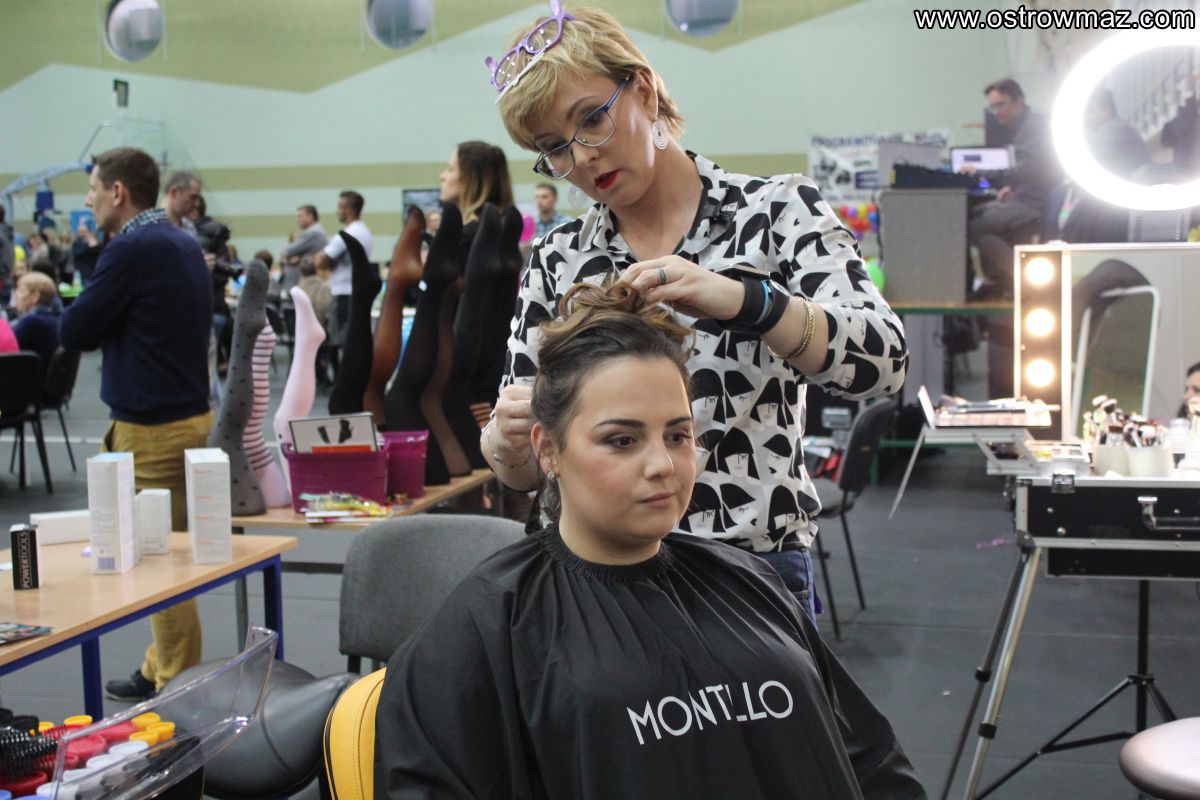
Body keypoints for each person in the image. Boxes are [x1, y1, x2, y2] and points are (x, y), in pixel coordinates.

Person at [376, 280, 926, 799]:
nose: (663, 465)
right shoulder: (490, 621)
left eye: (678, 435)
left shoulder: (752, 581)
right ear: (547, 450)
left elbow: (873, 765)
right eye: (622, 440)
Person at [482, 4, 906, 622]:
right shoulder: (559, 258)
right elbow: (524, 467)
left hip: (747, 572)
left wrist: (749, 301)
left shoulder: (775, 213)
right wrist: (504, 438)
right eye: (555, 149)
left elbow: (884, 360)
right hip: (593, 584)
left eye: (592, 119)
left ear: (643, 90)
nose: (584, 158)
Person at [59, 147, 213, 702]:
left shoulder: (130, 249)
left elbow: (75, 329)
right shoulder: (178, 241)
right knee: (167, 555)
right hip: (184, 417)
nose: (89, 200)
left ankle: (176, 688)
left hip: (153, 430)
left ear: (118, 192)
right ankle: (159, 666)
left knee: (159, 564)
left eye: (93, 189)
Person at [964, 78, 1061, 299]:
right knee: (981, 214)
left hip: (1035, 202)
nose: (996, 112)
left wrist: (979, 173)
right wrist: (1013, 187)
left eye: (1001, 105)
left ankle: (1019, 282)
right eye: (993, 107)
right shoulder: (1030, 126)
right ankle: (1003, 282)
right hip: (1029, 195)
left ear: (1019, 102)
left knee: (974, 225)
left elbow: (1028, 171)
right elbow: (1035, 170)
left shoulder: (1032, 129)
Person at [313, 190, 372, 376]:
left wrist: (329, 261)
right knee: (351, 340)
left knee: (341, 341)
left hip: (343, 293)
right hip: (353, 291)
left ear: (348, 210)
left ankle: (343, 379)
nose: (336, 211)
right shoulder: (364, 231)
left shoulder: (349, 233)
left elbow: (320, 261)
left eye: (339, 207)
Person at [439, 140, 515, 222]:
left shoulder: (475, 228)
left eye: (450, 169)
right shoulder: (501, 222)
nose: (442, 176)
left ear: (471, 178)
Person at [11, 271, 61, 364]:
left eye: (21, 290)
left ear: (35, 296)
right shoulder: (56, 321)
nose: (16, 295)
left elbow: (8, 350)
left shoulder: (30, 323)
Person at [279, 204, 327, 291]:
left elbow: (287, 251)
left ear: (310, 216)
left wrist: (296, 257)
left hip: (306, 282)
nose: (297, 220)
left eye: (300, 216)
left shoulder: (313, 233)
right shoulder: (316, 232)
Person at [160, 169, 203, 235]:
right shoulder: (153, 226)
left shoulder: (189, 227)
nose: (197, 204)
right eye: (193, 197)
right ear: (174, 192)